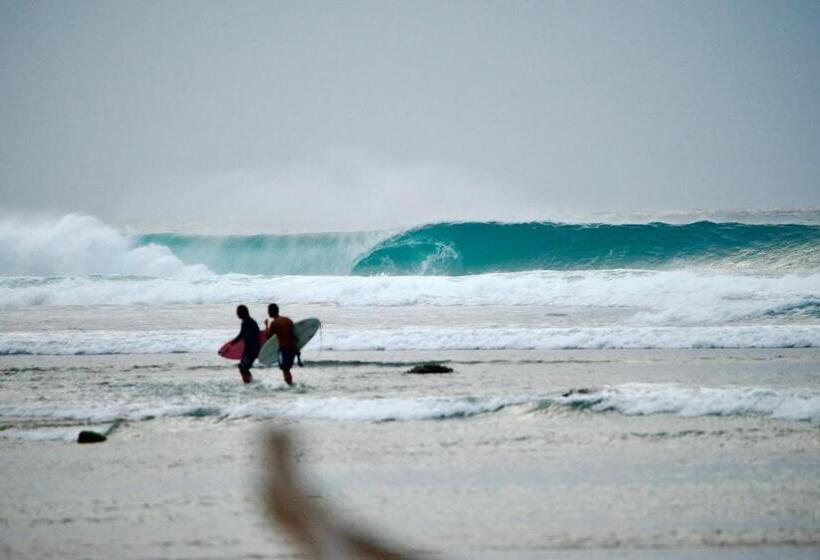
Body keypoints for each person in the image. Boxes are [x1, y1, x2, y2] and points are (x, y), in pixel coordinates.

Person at [227, 304, 260, 384]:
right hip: (251, 348)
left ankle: (248, 383)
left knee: (243, 368)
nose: (237, 314)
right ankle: (251, 381)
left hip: (251, 349)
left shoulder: (246, 322)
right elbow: (256, 333)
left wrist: (232, 343)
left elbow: (242, 335)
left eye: (238, 312)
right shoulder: (250, 321)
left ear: (243, 312)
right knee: (243, 367)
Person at [265, 303, 296, 386]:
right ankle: (290, 384)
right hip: (292, 348)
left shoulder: (274, 323)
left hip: (284, 349)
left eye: (268, 311)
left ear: (271, 312)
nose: (268, 313)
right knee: (287, 369)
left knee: (285, 369)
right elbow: (294, 335)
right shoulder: (288, 320)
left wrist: (266, 325)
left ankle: (289, 385)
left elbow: (268, 336)